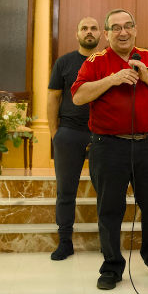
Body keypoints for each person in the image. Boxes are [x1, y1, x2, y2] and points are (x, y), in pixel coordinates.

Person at [71, 9, 148, 290]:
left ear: (136, 29)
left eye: (128, 26)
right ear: (106, 34)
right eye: (116, 28)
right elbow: (78, 96)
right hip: (108, 146)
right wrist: (112, 80)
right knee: (110, 208)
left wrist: (147, 77)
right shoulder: (96, 61)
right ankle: (112, 267)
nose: (123, 31)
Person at [48, 17, 101, 260]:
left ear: (101, 33)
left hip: (102, 133)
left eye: (93, 28)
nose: (89, 32)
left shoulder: (108, 62)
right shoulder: (64, 62)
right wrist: (54, 134)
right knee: (66, 191)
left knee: (107, 190)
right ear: (76, 34)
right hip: (69, 132)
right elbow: (53, 98)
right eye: (84, 28)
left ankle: (107, 242)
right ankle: (65, 242)